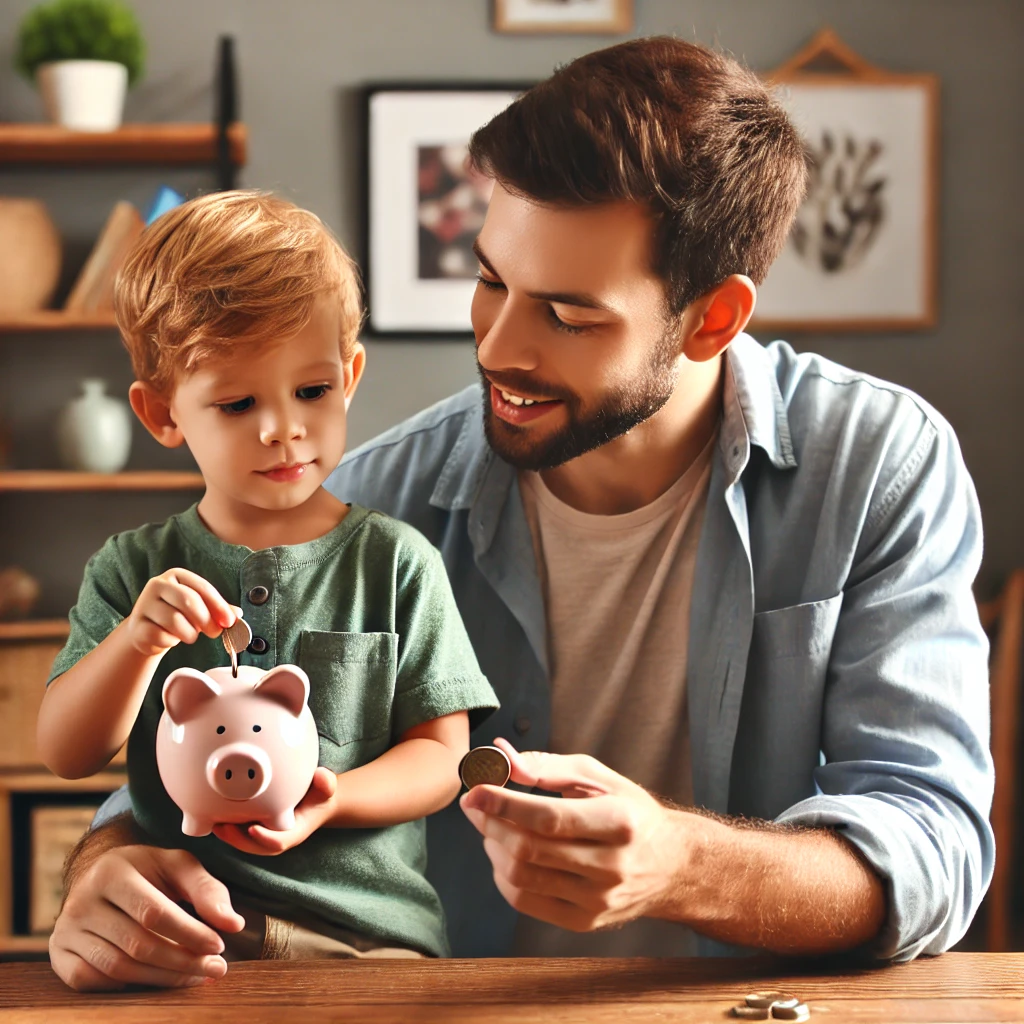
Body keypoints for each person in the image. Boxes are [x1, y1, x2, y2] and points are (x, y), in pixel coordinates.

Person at [52, 36, 993, 987]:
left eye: (570, 315)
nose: (499, 348)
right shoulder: (366, 504)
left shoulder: (877, 468)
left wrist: (681, 865)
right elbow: (193, 752)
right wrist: (106, 870)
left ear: (711, 317)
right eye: (490, 280)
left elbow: (936, 843)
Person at [38, 191, 498, 990]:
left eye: (312, 392)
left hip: (370, 946)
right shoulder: (132, 569)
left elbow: (442, 759)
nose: (282, 428)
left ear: (350, 376)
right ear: (161, 414)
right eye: (238, 402)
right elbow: (67, 752)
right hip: (183, 942)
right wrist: (139, 642)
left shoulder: (396, 564)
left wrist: (333, 798)